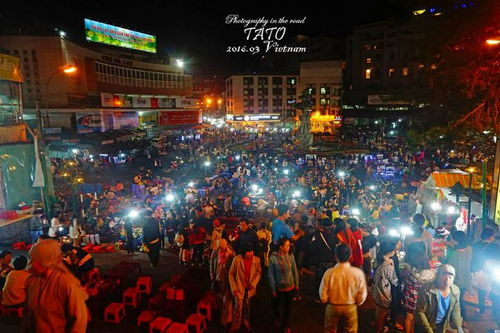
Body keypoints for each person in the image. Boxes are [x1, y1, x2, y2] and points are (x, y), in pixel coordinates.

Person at [23, 239, 88, 332]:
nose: (30, 264)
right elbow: (28, 314)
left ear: (45, 260)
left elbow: (79, 321)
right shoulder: (32, 281)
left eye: (34, 259)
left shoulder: (66, 283)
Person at [319, 243, 368, 333]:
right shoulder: (357, 273)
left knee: (330, 330)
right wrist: (358, 302)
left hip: (332, 306)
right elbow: (362, 293)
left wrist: (325, 300)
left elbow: (322, 292)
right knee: (350, 330)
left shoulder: (329, 272)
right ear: (350, 256)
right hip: (350, 306)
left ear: (335, 256)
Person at [414, 264, 464, 333]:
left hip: (441, 325)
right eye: (444, 275)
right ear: (438, 275)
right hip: (424, 326)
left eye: (450, 276)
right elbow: (420, 312)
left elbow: (456, 309)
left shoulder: (455, 291)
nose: (447, 279)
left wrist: (459, 327)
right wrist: (428, 330)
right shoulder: (427, 290)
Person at [401, 241, 435, 333]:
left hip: (411, 295)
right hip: (422, 295)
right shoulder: (424, 262)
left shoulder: (407, 265)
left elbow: (403, 278)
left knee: (409, 317)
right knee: (417, 317)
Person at [228, 245, 262, 333]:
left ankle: (246, 322)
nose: (251, 254)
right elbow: (231, 274)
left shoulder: (257, 260)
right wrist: (234, 288)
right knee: (238, 307)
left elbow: (259, 272)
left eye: (252, 251)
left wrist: (253, 284)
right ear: (243, 252)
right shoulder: (237, 259)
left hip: (250, 288)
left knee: (247, 306)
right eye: (248, 252)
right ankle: (236, 325)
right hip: (239, 287)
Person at [268, 238, 300, 333]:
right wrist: (273, 289)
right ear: (281, 247)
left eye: (289, 245)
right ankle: (278, 317)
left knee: (288, 308)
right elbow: (271, 275)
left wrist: (297, 284)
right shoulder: (273, 258)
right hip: (278, 288)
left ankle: (286, 325)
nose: (289, 247)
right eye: (287, 245)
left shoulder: (290, 256)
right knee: (276, 306)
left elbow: (294, 270)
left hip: (290, 287)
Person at [470, 227, 499, 317]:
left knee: (481, 292)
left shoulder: (475, 245)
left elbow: (472, 259)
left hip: (480, 272)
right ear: (491, 237)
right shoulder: (495, 247)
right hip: (494, 273)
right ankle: (495, 312)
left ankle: (481, 310)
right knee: (495, 292)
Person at [373, 240, 399, 333]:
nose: (395, 252)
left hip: (377, 288)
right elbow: (394, 280)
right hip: (384, 292)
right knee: (382, 312)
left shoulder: (379, 259)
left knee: (379, 310)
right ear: (390, 251)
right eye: (394, 250)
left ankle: (380, 326)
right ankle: (379, 329)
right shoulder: (388, 265)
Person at [445, 231, 472, 320]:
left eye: (452, 238)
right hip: (466, 279)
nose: (451, 240)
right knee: (460, 299)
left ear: (456, 241)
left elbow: (449, 268)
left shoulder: (454, 254)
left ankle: (458, 320)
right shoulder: (469, 249)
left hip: (457, 281)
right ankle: (462, 318)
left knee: (456, 301)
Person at [311, 218, 339, 302]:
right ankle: (329, 296)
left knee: (319, 280)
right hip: (330, 261)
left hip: (320, 260)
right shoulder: (334, 236)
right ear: (331, 226)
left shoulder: (317, 234)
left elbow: (312, 247)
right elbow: (336, 249)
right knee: (330, 280)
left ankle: (318, 296)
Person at [209, 238, 235, 329]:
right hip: (218, 279)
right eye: (220, 248)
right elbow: (211, 264)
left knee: (227, 301)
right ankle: (222, 316)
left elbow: (234, 266)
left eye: (223, 247)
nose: (222, 250)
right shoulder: (215, 252)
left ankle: (225, 321)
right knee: (219, 298)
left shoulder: (231, 253)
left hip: (227, 281)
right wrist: (212, 277)